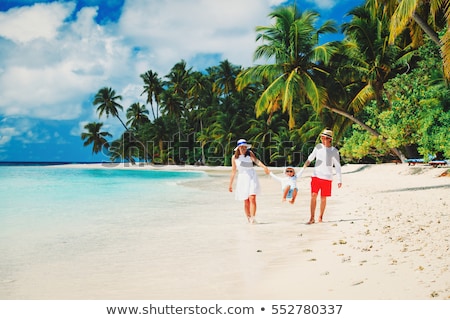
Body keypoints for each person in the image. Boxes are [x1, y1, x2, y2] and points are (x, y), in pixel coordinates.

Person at [300, 129, 342, 224]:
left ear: (330, 139)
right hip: (316, 176)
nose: (323, 140)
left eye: (325, 138)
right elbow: (310, 159)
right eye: (322, 138)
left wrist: (339, 180)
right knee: (313, 195)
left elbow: (338, 167)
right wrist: (302, 169)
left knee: (323, 198)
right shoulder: (318, 147)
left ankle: (320, 217)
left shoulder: (334, 151)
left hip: (327, 178)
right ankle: (311, 218)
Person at [229, 139, 270, 224]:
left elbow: (256, 161)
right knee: (246, 200)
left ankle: (253, 218)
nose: (244, 149)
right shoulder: (234, 158)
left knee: (252, 197)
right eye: (242, 147)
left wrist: (264, 167)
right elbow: (233, 171)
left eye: (245, 147)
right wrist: (230, 184)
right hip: (242, 178)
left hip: (252, 176)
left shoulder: (249, 153)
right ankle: (248, 218)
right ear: (238, 148)